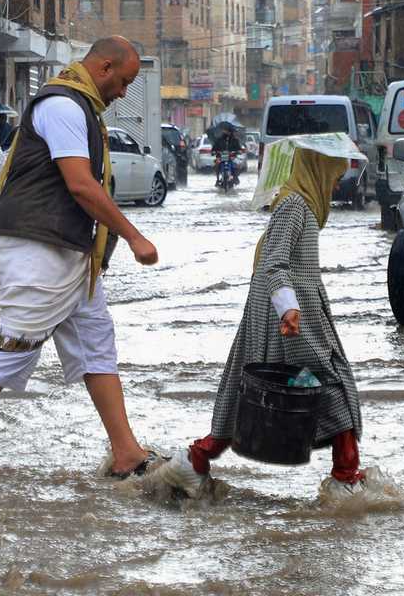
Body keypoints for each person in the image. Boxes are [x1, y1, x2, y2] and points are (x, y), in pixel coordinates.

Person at [0, 36, 163, 483]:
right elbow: (82, 185)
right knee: (17, 345)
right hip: (38, 247)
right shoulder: (64, 106)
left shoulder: (80, 106)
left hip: (68, 251)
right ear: (104, 68)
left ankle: (126, 452)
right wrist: (134, 236)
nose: (124, 92)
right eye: (124, 82)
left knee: (96, 346)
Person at [153, 141, 372, 499]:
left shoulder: (304, 206)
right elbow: (273, 262)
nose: (337, 183)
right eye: (335, 173)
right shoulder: (294, 206)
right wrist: (288, 307)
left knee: (251, 390)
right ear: (319, 168)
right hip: (288, 319)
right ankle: (345, 479)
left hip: (287, 313)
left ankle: (193, 461)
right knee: (330, 383)